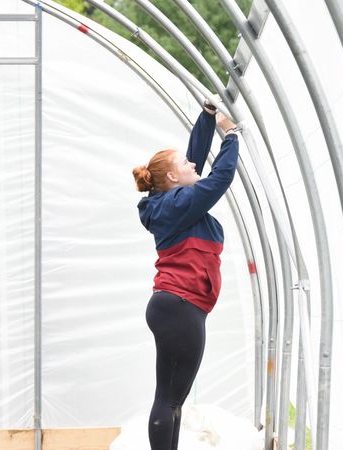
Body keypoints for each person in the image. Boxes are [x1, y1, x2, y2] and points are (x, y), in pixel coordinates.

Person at [131, 102, 239, 450]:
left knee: (171, 397)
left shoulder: (171, 200)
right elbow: (220, 178)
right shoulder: (179, 204)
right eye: (185, 166)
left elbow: (193, 157)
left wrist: (207, 118)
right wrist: (231, 135)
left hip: (174, 306)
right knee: (170, 398)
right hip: (180, 306)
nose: (193, 165)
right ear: (174, 178)